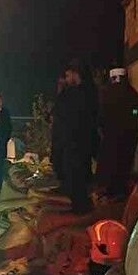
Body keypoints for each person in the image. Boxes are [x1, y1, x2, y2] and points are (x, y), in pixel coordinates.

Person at [50, 61, 98, 214]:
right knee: (76, 177)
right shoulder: (87, 92)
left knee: (76, 178)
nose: (66, 78)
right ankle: (79, 207)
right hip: (79, 142)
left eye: (68, 75)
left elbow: (66, 117)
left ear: (75, 74)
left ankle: (80, 210)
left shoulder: (77, 94)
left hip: (74, 143)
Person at [96, 68, 138, 199]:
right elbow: (136, 113)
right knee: (123, 164)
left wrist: (103, 129)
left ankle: (111, 192)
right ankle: (119, 192)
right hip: (127, 136)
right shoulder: (131, 93)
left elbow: (101, 115)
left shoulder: (107, 93)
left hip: (111, 136)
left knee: (112, 164)